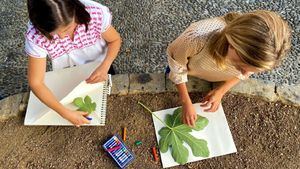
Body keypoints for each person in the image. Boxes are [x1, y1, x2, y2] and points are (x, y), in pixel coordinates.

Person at [167, 10, 291, 127]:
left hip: (211, 73)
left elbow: (243, 74)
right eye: (240, 66)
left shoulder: (254, 57)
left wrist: (221, 91)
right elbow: (177, 68)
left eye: (253, 71)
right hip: (189, 70)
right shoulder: (195, 39)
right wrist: (186, 102)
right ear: (233, 46)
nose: (245, 74)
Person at [25, 0, 121, 127]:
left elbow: (114, 40)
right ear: (41, 28)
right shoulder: (35, 36)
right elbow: (36, 82)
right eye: (55, 33)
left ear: (76, 11)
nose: (63, 36)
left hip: (101, 65)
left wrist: (105, 65)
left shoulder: (95, 13)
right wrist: (65, 113)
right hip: (68, 73)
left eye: (69, 28)